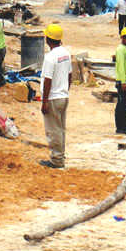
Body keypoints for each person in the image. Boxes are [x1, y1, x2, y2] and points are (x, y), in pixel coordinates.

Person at [40, 23, 71, 168]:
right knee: (60, 128)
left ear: (48, 39)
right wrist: (65, 90)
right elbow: (70, 75)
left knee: (53, 130)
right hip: (63, 96)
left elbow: (48, 80)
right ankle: (60, 155)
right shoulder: (66, 53)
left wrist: (44, 101)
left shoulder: (50, 57)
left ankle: (57, 159)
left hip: (53, 97)